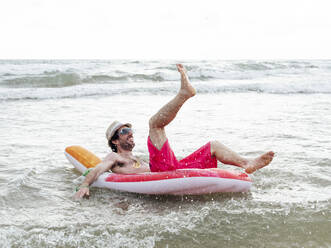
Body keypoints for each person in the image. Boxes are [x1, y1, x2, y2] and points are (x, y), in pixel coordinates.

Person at [74, 64, 274, 199]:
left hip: (170, 169)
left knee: (213, 145)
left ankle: (247, 163)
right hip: (162, 171)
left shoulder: (139, 157)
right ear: (115, 141)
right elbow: (98, 169)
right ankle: (184, 94)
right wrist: (85, 185)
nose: (129, 132)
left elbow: (161, 169)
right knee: (154, 124)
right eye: (124, 131)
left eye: (130, 129)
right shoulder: (114, 156)